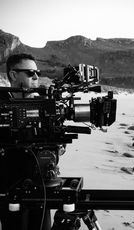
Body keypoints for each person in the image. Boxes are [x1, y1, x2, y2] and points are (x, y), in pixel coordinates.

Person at [0, 53, 51, 230]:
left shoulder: (42, 103)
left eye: (37, 72)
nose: (36, 77)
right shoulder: (2, 102)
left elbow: (54, 141)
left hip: (41, 185)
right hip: (10, 187)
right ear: (14, 75)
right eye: (30, 73)